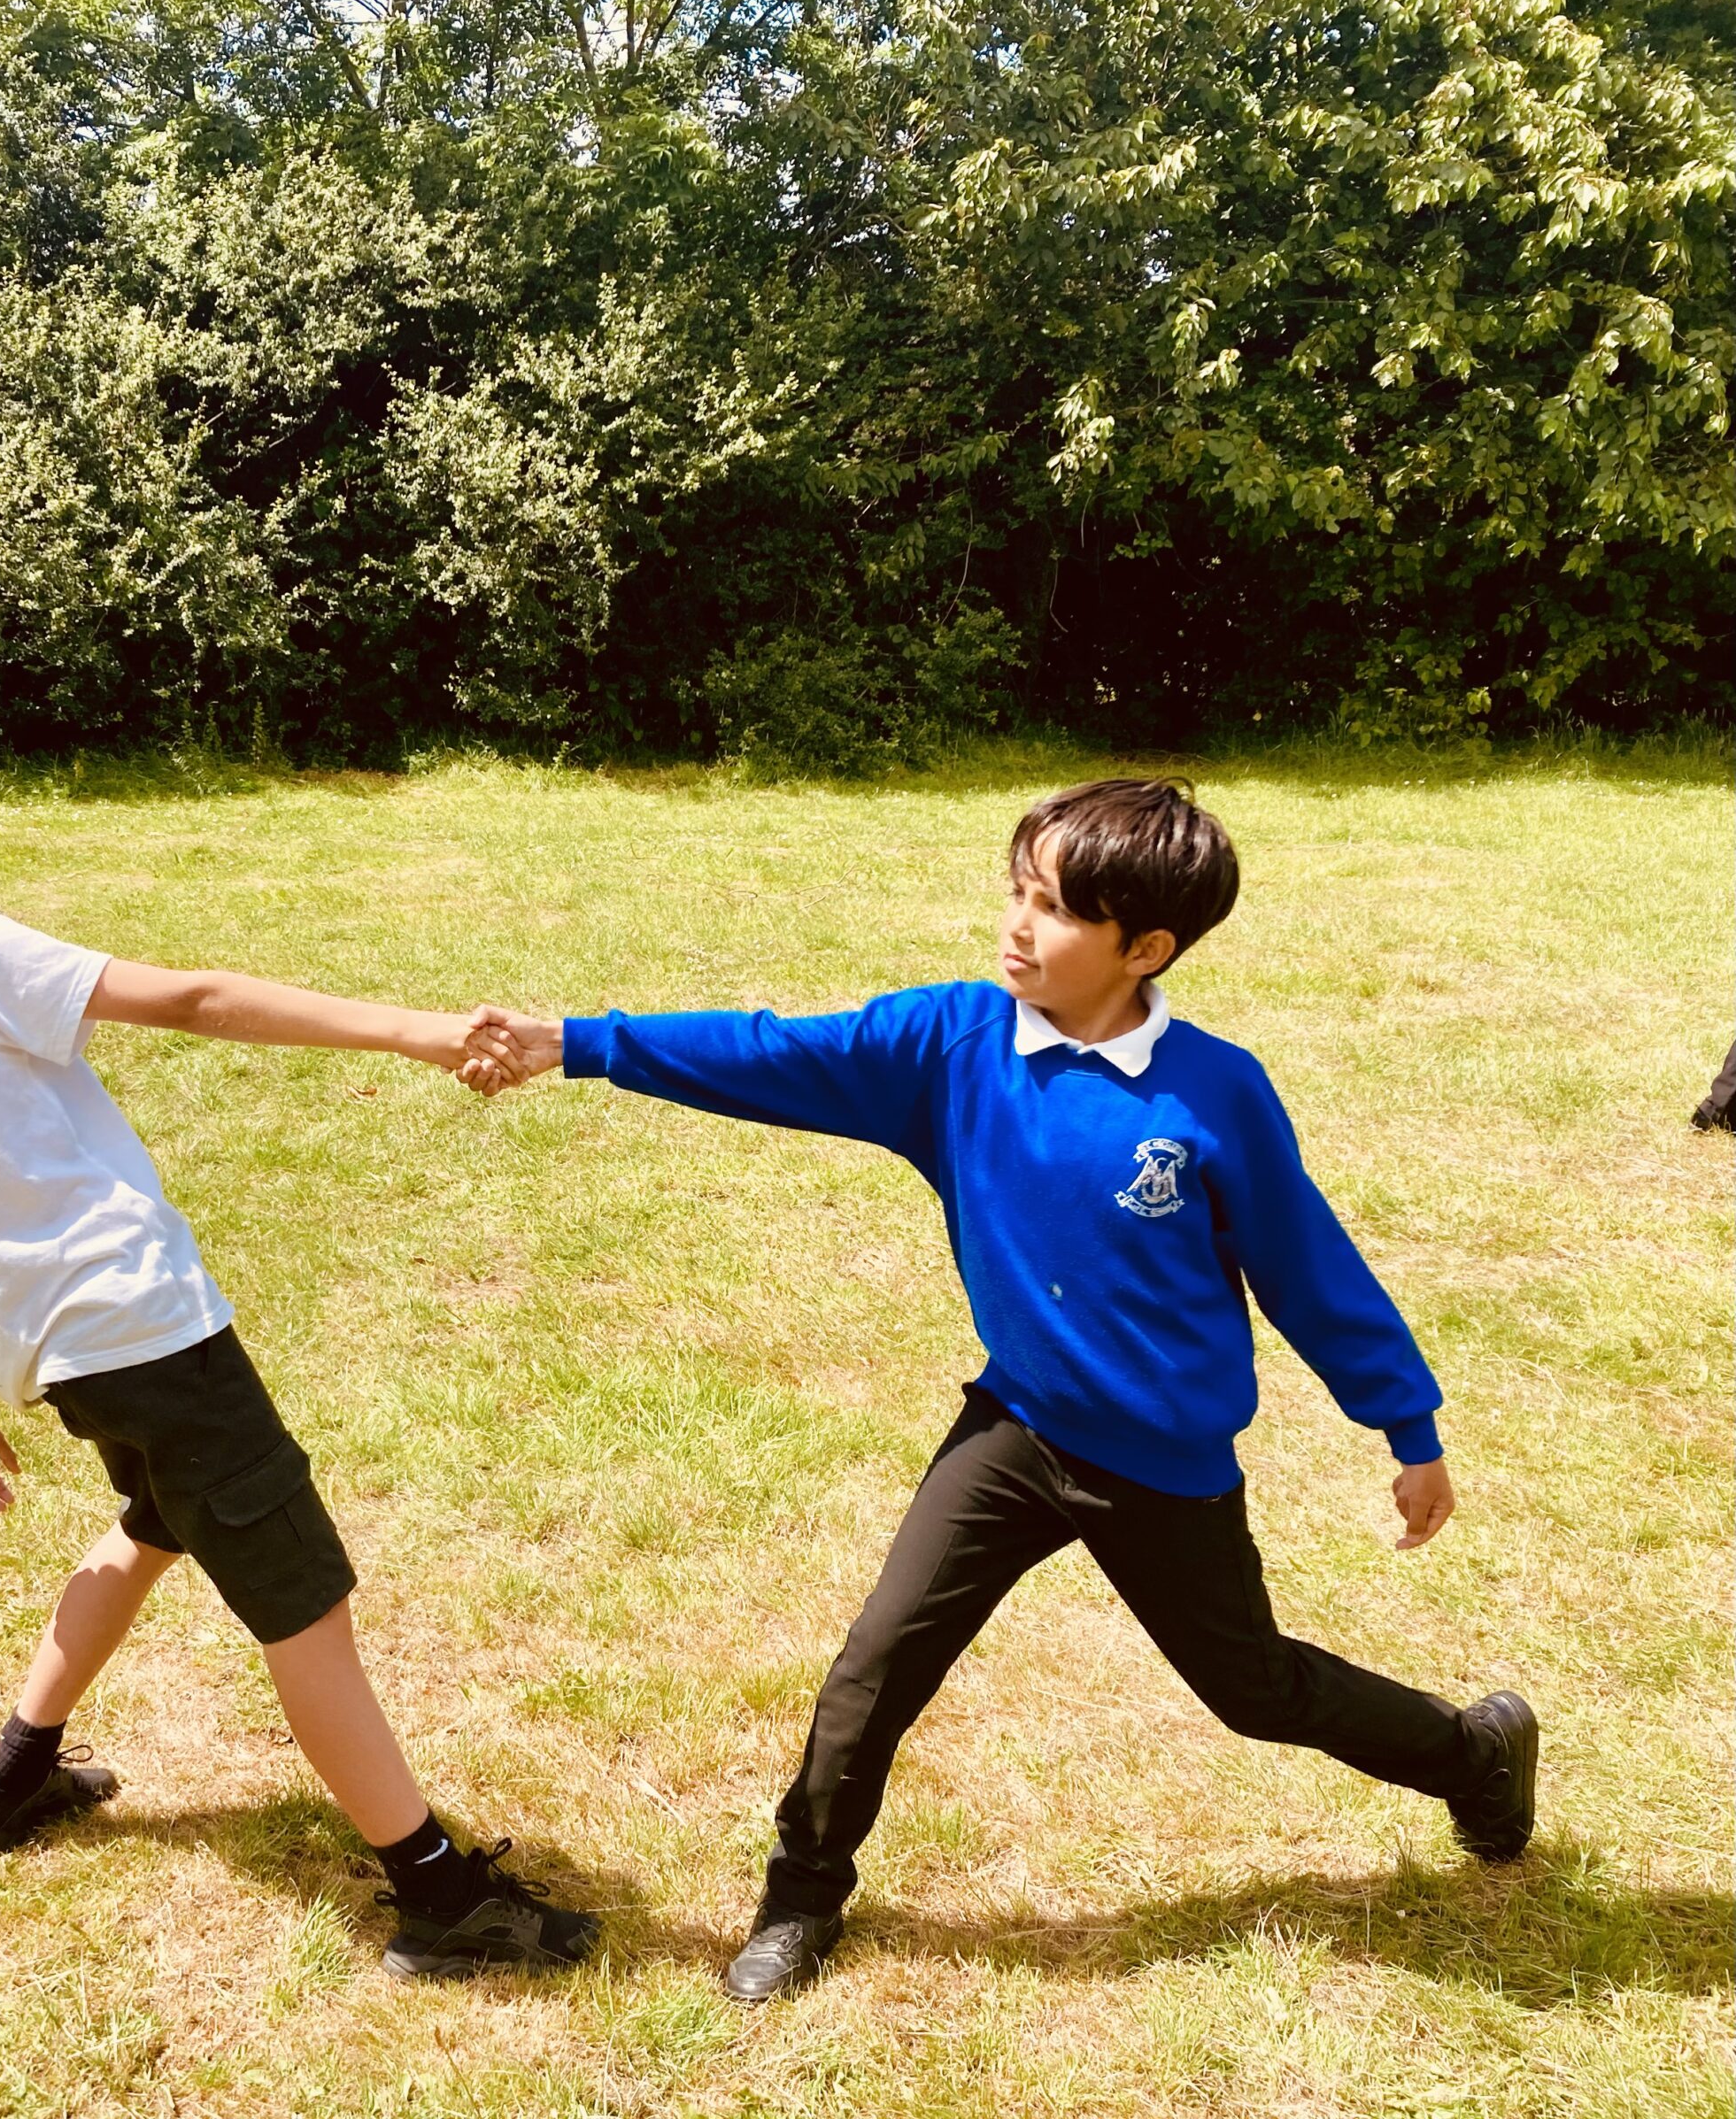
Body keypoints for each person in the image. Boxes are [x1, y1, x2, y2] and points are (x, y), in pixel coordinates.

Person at [464, 777, 1539, 2001]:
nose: (1018, 926)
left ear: (1146, 949)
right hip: (1018, 1429)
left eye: (1056, 911)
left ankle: (1474, 1753)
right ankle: (801, 1898)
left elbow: (1309, 1269)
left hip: (1165, 1472)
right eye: (1017, 893)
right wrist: (575, 1044)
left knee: (1254, 1693)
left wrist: (1407, 1423)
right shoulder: (951, 1044)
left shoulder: (1212, 1094)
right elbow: (774, 1051)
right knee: (879, 1659)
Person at [0, 739, 598, 1981]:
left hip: (60, 1358)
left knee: (157, 1520)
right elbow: (193, 999)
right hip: (140, 1326)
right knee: (305, 1609)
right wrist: (416, 1031)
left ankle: (9, 1782)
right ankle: (439, 1895)